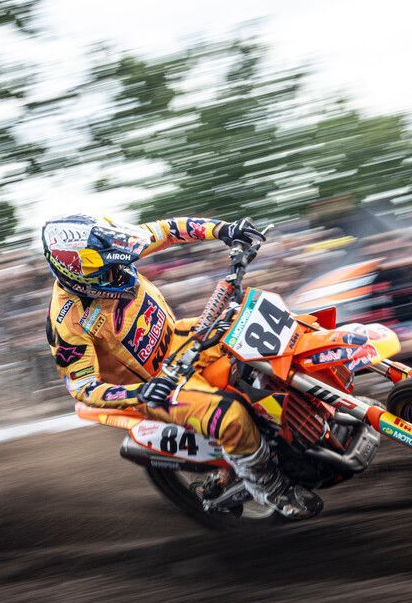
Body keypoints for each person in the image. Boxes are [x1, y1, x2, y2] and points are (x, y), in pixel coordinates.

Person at [41, 214, 317, 518]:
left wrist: (223, 229)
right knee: (230, 416)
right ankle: (272, 487)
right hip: (157, 384)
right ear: (78, 276)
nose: (121, 273)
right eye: (110, 272)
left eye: (120, 264)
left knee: (266, 322)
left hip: (181, 338)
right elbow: (82, 387)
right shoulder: (66, 323)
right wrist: (141, 393)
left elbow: (170, 229)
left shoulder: (116, 244)